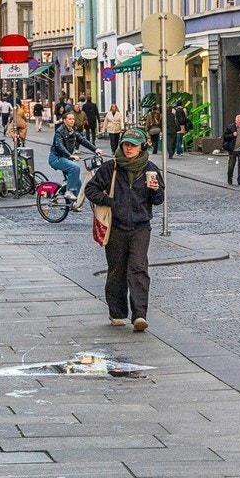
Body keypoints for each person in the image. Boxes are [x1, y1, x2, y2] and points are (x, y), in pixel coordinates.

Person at [85, 129, 164, 332]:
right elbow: (90, 189)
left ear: (142, 147)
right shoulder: (111, 167)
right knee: (117, 270)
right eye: (126, 144)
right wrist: (109, 201)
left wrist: (156, 190)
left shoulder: (150, 169)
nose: (129, 149)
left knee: (138, 268)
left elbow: (159, 200)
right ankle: (117, 312)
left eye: (133, 145)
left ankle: (139, 315)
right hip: (116, 226)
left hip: (140, 226)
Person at [49, 111, 90, 201]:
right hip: (56, 158)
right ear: (64, 120)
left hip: (66, 158)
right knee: (75, 168)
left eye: (73, 119)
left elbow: (83, 140)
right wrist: (70, 155)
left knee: (77, 182)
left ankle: (74, 203)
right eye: (70, 119)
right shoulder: (59, 132)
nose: (72, 121)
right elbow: (59, 146)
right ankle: (69, 191)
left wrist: (96, 149)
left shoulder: (73, 130)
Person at [224, 113, 240, 186]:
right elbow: (225, 137)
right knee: (231, 165)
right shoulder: (230, 127)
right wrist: (232, 135)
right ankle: (229, 178)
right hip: (233, 149)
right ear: (236, 121)